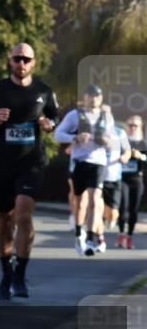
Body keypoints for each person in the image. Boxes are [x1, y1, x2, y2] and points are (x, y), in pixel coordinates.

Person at [0, 43, 58, 298]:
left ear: (34, 62)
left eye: (26, 59)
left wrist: (49, 123)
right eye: (16, 59)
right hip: (2, 164)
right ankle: (6, 271)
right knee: (3, 219)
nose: (21, 63)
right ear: (10, 62)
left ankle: (20, 273)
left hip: (31, 163)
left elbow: (55, 115)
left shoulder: (43, 90)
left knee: (22, 215)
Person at [55, 85, 113, 257]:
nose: (94, 99)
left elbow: (112, 140)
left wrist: (106, 141)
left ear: (101, 98)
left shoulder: (106, 116)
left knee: (95, 198)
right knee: (80, 201)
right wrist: (75, 137)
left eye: (97, 96)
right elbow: (58, 134)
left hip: (98, 162)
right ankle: (79, 233)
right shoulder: (75, 115)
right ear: (85, 97)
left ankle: (90, 237)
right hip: (80, 161)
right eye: (91, 95)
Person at [101, 121, 131, 246]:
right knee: (98, 206)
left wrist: (125, 156)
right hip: (98, 177)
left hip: (114, 177)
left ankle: (110, 218)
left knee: (113, 212)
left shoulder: (119, 132)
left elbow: (127, 150)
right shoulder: (94, 131)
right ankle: (99, 237)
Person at [118, 116, 145, 249]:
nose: (133, 128)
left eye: (136, 126)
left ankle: (130, 236)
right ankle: (121, 233)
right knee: (123, 206)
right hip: (123, 178)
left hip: (137, 179)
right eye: (130, 125)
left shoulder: (143, 143)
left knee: (133, 210)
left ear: (140, 127)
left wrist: (141, 156)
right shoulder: (123, 141)